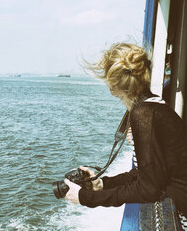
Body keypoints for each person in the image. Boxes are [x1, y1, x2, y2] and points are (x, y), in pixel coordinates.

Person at [64, 42, 187, 217]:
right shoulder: (155, 105)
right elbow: (145, 174)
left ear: (113, 86)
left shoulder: (143, 113)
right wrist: (102, 184)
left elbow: (148, 190)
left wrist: (86, 197)